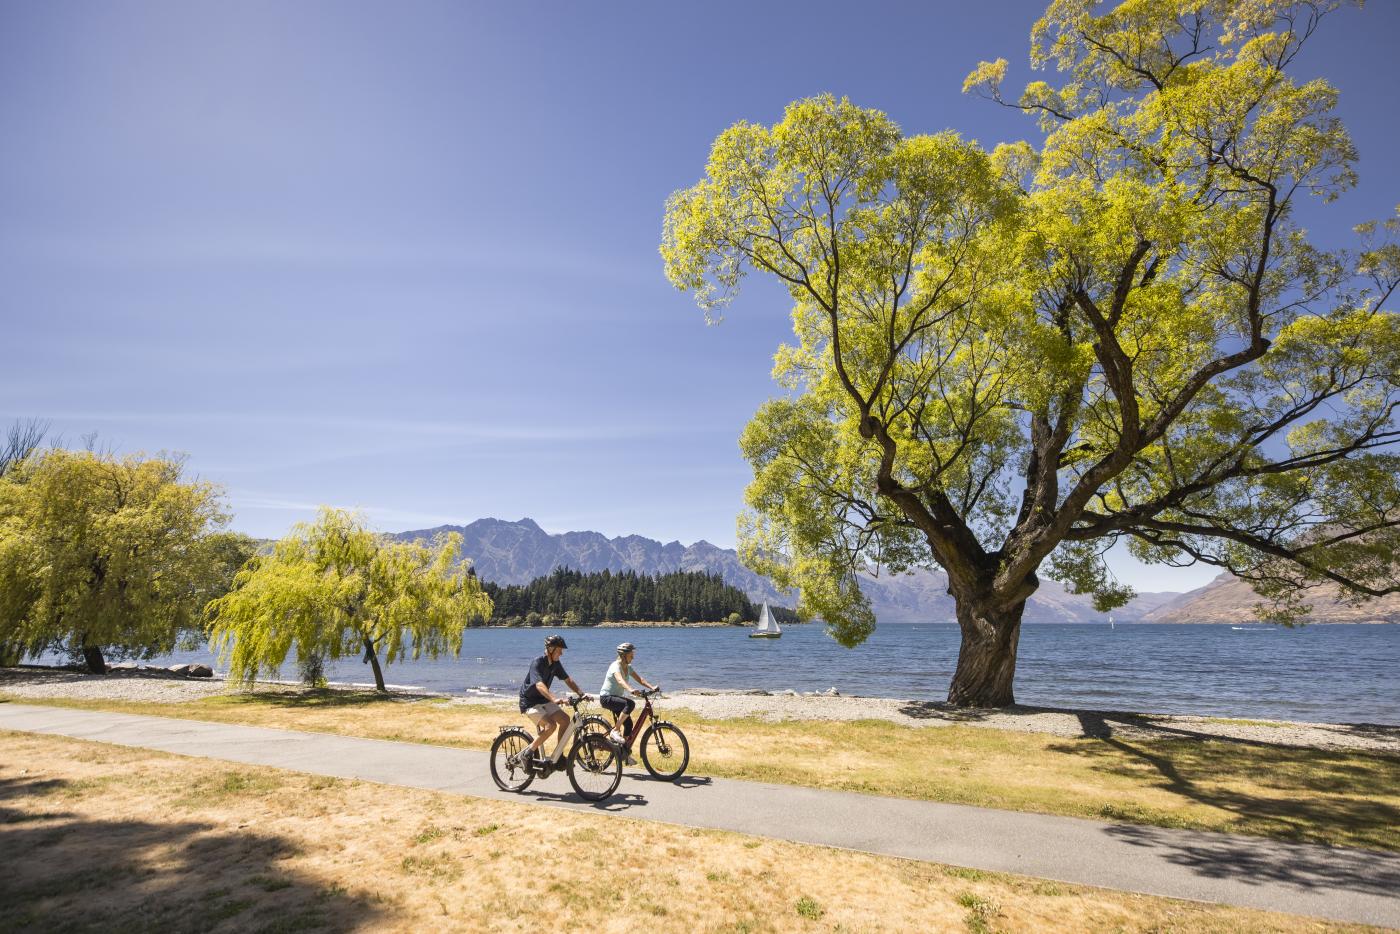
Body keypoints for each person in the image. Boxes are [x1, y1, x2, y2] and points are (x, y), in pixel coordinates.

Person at [513, 634, 587, 765]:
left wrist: (581, 694)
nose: (562, 653)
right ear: (551, 649)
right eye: (560, 650)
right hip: (529, 702)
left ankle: (558, 756)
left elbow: (568, 679)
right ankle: (527, 753)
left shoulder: (556, 664)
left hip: (543, 700)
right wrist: (554, 698)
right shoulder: (537, 662)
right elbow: (539, 685)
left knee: (565, 720)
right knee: (551, 725)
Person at [599, 642, 658, 757]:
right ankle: (615, 731)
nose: (633, 657)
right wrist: (631, 689)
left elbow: (640, 679)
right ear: (623, 655)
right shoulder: (615, 666)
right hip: (606, 698)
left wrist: (652, 687)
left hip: (616, 699)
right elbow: (620, 680)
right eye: (631, 655)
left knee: (629, 724)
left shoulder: (628, 667)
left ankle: (623, 751)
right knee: (630, 704)